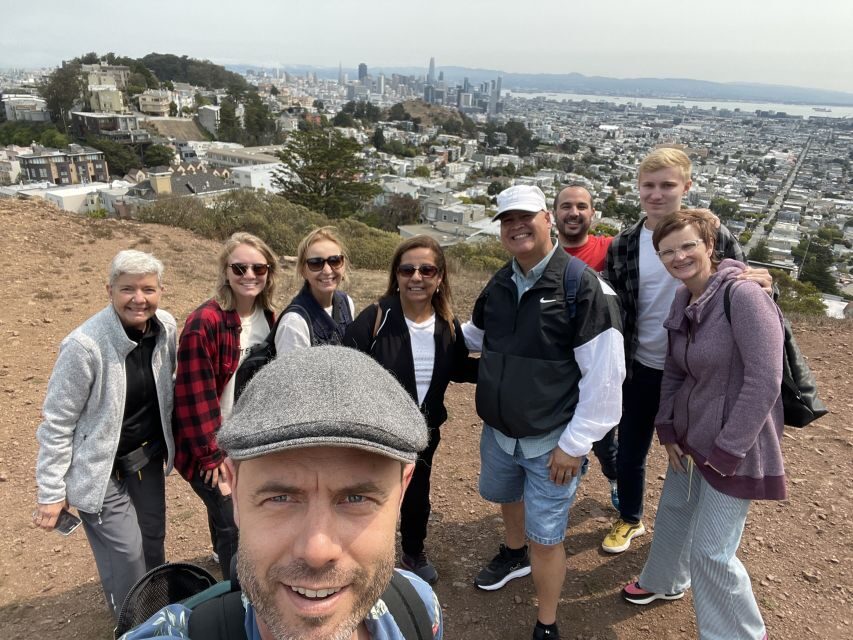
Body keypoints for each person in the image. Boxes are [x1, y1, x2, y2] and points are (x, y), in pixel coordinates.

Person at [120, 346, 443, 640]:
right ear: (234, 489)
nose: (317, 551)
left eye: (356, 498)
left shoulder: (418, 607)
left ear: (402, 491)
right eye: (280, 498)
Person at [462, 185, 625, 640]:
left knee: (548, 537)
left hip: (552, 441)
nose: (516, 226)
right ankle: (514, 553)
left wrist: (574, 446)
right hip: (499, 431)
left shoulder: (582, 286)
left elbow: (606, 380)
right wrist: (413, 328)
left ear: (546, 219)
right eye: (506, 220)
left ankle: (547, 623)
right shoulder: (500, 282)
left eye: (525, 216)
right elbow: (476, 336)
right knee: (503, 494)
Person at [621, 210, 783, 640]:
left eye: (689, 245)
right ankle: (664, 581)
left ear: (711, 246)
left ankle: (741, 634)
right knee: (674, 511)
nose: (679, 257)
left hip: (736, 445)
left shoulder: (744, 296)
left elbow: (764, 380)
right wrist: (668, 430)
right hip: (692, 435)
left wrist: (730, 449)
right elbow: (675, 371)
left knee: (712, 552)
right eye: (668, 250)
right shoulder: (684, 298)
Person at [601, 148, 772, 555]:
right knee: (631, 449)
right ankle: (630, 518)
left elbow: (746, 286)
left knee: (697, 451)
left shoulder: (711, 233)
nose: (656, 194)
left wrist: (769, 283)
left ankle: (694, 531)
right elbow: (612, 299)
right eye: (648, 186)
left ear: (686, 187)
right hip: (641, 362)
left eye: (667, 185)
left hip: (700, 368)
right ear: (638, 189)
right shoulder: (624, 243)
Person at [34, 250, 177, 618]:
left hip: (144, 458)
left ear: (161, 291)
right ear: (109, 290)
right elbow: (57, 421)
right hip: (99, 469)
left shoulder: (165, 329)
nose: (138, 298)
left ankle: (157, 615)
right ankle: (131, 623)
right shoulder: (85, 346)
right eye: (127, 288)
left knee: (152, 541)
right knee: (127, 553)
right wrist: (51, 492)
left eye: (148, 289)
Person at [344, 235, 477, 585]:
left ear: (440, 277)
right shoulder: (376, 317)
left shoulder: (447, 323)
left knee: (417, 494)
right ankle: (366, 555)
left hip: (425, 430)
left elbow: (460, 368)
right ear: (397, 275)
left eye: (426, 269)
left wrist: (510, 368)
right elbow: (346, 365)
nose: (416, 277)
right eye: (407, 269)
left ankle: (413, 553)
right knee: (373, 492)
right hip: (378, 429)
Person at [173, 232, 279, 579]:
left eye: (258, 268)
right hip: (214, 443)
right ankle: (240, 590)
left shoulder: (269, 318)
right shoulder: (206, 322)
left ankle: (225, 558)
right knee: (235, 520)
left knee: (228, 511)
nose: (250, 275)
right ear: (226, 271)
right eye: (240, 268)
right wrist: (211, 456)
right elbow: (193, 393)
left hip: (249, 438)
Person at [553, 185, 619, 510]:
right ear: (554, 214)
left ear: (593, 213)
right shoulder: (546, 256)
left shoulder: (611, 250)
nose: (574, 212)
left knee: (606, 441)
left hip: (597, 365)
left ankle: (617, 480)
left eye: (582, 206)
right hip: (559, 368)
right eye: (566, 206)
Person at [274, 226, 355, 355]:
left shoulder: (346, 302)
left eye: (335, 260)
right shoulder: (294, 324)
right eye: (316, 263)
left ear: (343, 264)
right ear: (303, 271)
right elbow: (291, 374)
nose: (327, 271)